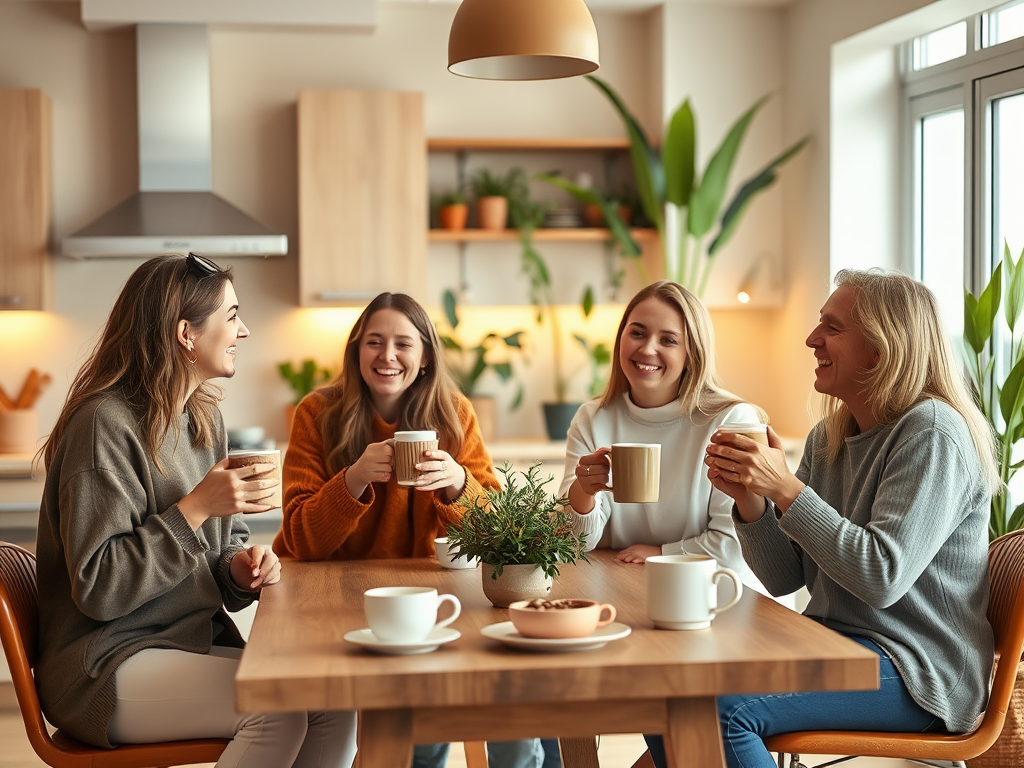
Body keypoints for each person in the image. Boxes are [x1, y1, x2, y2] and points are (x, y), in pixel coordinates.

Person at [645, 269, 998, 768]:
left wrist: (785, 488)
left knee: (719, 709)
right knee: (664, 691)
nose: (812, 339)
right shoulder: (828, 437)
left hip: (916, 668)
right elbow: (786, 575)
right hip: (833, 646)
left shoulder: (932, 432)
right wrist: (751, 500)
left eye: (831, 328)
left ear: (881, 349)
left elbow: (880, 577)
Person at [34, 254, 357, 768]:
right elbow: (99, 589)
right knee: (277, 709)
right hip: (104, 662)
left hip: (183, 642)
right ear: (186, 333)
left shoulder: (201, 418)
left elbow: (219, 549)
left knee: (334, 700)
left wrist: (239, 567)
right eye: (231, 316)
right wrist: (195, 508)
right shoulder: (104, 427)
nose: (244, 330)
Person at [274, 291, 551, 768]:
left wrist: (459, 485)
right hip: (341, 601)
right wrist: (354, 478)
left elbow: (501, 531)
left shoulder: (454, 413)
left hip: (435, 598)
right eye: (374, 342)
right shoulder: (316, 414)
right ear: (356, 349)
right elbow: (299, 540)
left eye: (403, 344)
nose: (387, 356)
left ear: (424, 356)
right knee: (404, 726)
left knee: (507, 708)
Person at [558, 280, 764, 584]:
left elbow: (735, 549)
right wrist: (583, 491)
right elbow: (570, 545)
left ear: (691, 353)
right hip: (624, 585)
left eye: (668, 340)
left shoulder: (729, 420)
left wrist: (663, 552)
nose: (647, 348)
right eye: (637, 333)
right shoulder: (593, 419)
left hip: (712, 594)